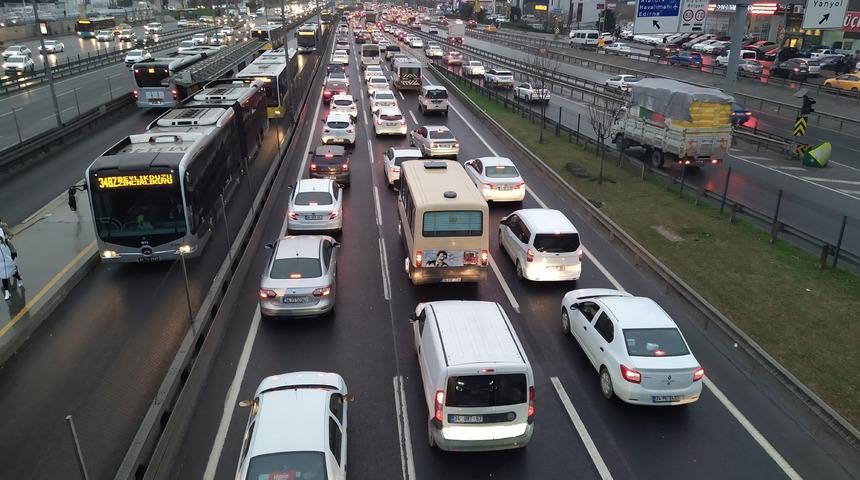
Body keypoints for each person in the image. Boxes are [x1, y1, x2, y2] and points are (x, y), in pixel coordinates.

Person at [1, 233, 22, 301]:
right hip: (1, 265)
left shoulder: (6, 242)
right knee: (4, 278)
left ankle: (20, 279)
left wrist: (13, 261)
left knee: (14, 274)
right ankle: (7, 292)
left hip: (9, 262)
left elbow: (13, 251)